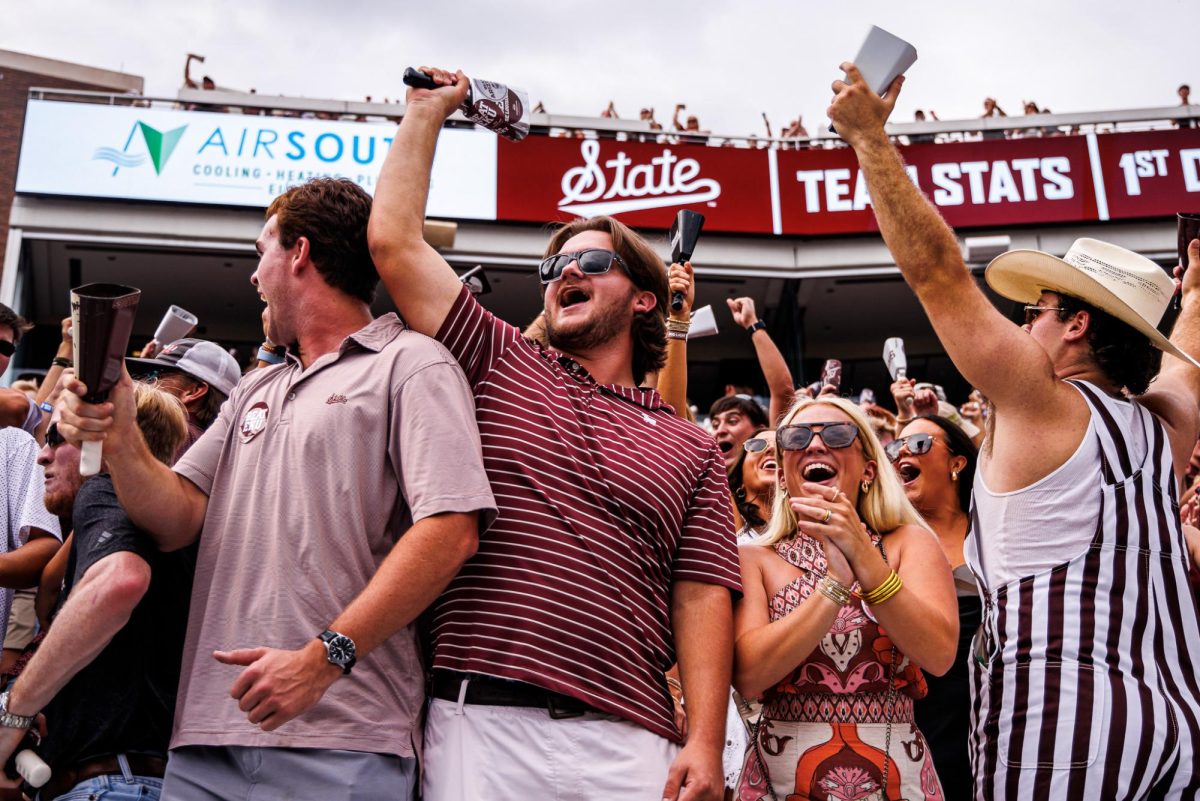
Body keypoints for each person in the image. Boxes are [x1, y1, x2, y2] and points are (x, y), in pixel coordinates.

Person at [58, 176, 496, 801]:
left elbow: (451, 530)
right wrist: (123, 430)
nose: (253, 275)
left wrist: (323, 660)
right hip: (206, 739)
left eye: (261, 251)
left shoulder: (414, 364)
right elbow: (177, 516)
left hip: (346, 738)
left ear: (299, 253)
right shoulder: (253, 391)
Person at [830, 61, 1200, 798]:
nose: (1022, 323)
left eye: (1035, 311)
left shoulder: (1042, 406)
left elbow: (938, 275)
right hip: (1178, 722)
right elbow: (1189, 347)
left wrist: (871, 141)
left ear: (1078, 325)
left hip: (1063, 728)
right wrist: (1193, 289)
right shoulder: (1170, 423)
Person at [369, 66, 740, 801]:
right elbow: (393, 244)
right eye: (554, 265)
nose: (566, 268)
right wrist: (425, 114)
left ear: (644, 297)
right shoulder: (501, 359)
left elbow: (701, 596)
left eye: (591, 261)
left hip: (628, 738)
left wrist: (703, 737)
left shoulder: (693, 444)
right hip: (481, 722)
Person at [734, 396, 957, 800]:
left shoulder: (911, 544)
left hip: (891, 772)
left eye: (837, 434)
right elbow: (749, 675)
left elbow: (939, 655)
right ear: (783, 474)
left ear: (869, 469)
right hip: (782, 774)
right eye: (797, 437)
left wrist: (864, 559)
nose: (815, 445)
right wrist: (835, 584)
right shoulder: (754, 558)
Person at [0, 385, 189, 800]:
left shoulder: (103, 491)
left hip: (110, 785)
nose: (41, 455)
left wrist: (11, 716)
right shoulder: (165, 522)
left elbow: (121, 580)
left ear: (100, 443)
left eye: (55, 438)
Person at [886, 415, 981, 800]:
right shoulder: (886, 540)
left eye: (921, 443)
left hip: (994, 706)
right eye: (895, 447)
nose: (903, 451)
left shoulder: (996, 530)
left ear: (957, 463)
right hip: (920, 709)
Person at [125, 338, 242, 452]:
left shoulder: (176, 436)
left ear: (194, 391)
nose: (146, 382)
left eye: (158, 375)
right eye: (148, 375)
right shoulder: (205, 442)